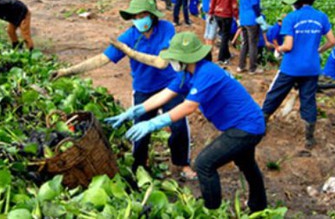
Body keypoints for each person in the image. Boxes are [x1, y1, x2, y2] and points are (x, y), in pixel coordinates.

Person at [107, 32, 268, 213]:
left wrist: (153, 123)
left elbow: (188, 107)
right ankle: (259, 205)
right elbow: (165, 94)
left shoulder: (207, 73)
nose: (171, 62)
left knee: (204, 164)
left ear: (185, 58)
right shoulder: (186, 74)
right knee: (246, 163)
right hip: (241, 125)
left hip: (247, 127)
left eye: (174, 58)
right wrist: (137, 110)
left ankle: (212, 210)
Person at [52, 0, 195, 179]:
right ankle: (139, 166)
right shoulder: (128, 36)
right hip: (143, 88)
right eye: (134, 17)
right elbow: (101, 59)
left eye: (142, 15)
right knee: (140, 129)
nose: (138, 20)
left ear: (152, 15)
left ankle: (182, 164)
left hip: (170, 85)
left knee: (179, 125)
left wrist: (128, 52)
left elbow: (161, 63)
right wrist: (67, 71)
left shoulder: (166, 29)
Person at [262, 0, 335, 148]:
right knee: (308, 100)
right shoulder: (321, 17)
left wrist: (279, 49)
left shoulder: (291, 18)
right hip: (312, 67)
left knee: (275, 94)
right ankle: (309, 138)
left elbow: (288, 46)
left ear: (296, 2)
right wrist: (318, 50)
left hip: (291, 67)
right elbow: (332, 41)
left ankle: (261, 124)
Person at [209, 0, 238, 65]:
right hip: (227, 15)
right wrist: (237, 17)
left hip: (217, 14)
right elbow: (234, 5)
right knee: (225, 36)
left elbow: (213, 1)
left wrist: (211, 13)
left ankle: (227, 55)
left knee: (223, 34)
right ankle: (221, 58)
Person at [238, 0, 264, 75]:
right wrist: (259, 16)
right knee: (253, 44)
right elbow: (255, 5)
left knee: (245, 43)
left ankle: (241, 66)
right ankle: (252, 68)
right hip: (251, 19)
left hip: (243, 18)